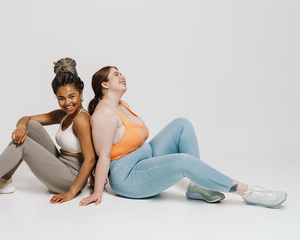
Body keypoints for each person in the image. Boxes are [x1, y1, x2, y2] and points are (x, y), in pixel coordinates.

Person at [79, 66, 287, 208]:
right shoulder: (104, 113)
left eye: (121, 72)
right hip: (129, 176)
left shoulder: (123, 106)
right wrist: (98, 192)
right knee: (183, 162)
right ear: (104, 85)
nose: (121, 76)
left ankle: (197, 187)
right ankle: (248, 192)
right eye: (116, 75)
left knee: (182, 124)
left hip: (145, 158)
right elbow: (104, 156)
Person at [0, 58, 96, 206]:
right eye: (61, 98)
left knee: (24, 145)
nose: (67, 103)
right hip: (61, 164)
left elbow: (89, 160)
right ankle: (3, 181)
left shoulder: (81, 120)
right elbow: (26, 119)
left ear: (81, 93)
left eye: (72, 96)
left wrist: (71, 193)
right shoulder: (63, 114)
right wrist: (21, 128)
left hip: (71, 179)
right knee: (32, 126)